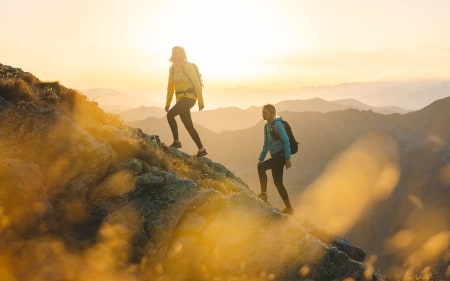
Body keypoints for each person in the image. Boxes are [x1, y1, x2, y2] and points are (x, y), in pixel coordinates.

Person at [165, 46, 207, 157]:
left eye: (176, 52)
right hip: (180, 99)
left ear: (182, 54)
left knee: (170, 115)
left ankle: (177, 142)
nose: (174, 54)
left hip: (190, 98)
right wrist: (168, 103)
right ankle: (201, 149)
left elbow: (196, 83)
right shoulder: (172, 69)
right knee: (188, 125)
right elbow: (170, 88)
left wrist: (200, 101)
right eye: (173, 52)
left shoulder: (187, 66)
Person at [257, 104, 294, 215]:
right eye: (262, 112)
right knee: (278, 183)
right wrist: (261, 158)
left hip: (280, 157)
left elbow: (286, 140)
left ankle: (263, 194)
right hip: (275, 157)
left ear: (272, 114)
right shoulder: (266, 126)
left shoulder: (277, 125)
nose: (263, 114)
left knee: (261, 168)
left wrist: (287, 158)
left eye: (265, 112)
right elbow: (266, 144)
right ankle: (289, 209)